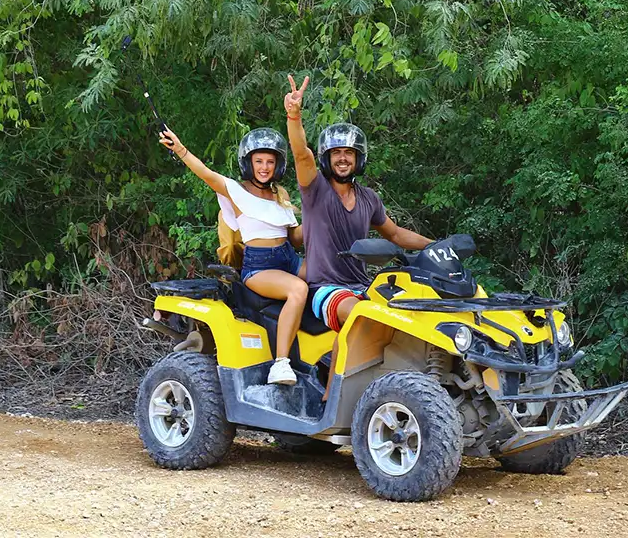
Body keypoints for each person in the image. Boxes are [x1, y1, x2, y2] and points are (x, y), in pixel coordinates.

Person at [283, 75, 432, 334]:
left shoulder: (369, 198)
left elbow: (395, 234)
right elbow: (300, 154)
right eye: (336, 153)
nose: (342, 158)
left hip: (364, 284)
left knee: (412, 318)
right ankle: (338, 377)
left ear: (358, 158)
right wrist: (294, 116)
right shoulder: (315, 190)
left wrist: (437, 246)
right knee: (361, 315)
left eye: (349, 153)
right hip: (326, 288)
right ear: (326, 159)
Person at [159, 125, 307, 385]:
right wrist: (180, 149)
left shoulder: (279, 195)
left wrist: (318, 219)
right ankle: (281, 364)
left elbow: (295, 238)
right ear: (248, 163)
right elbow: (204, 172)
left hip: (288, 257)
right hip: (260, 264)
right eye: (259, 161)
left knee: (328, 275)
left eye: (270, 162)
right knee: (298, 290)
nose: (264, 167)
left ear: (278, 165)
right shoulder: (235, 191)